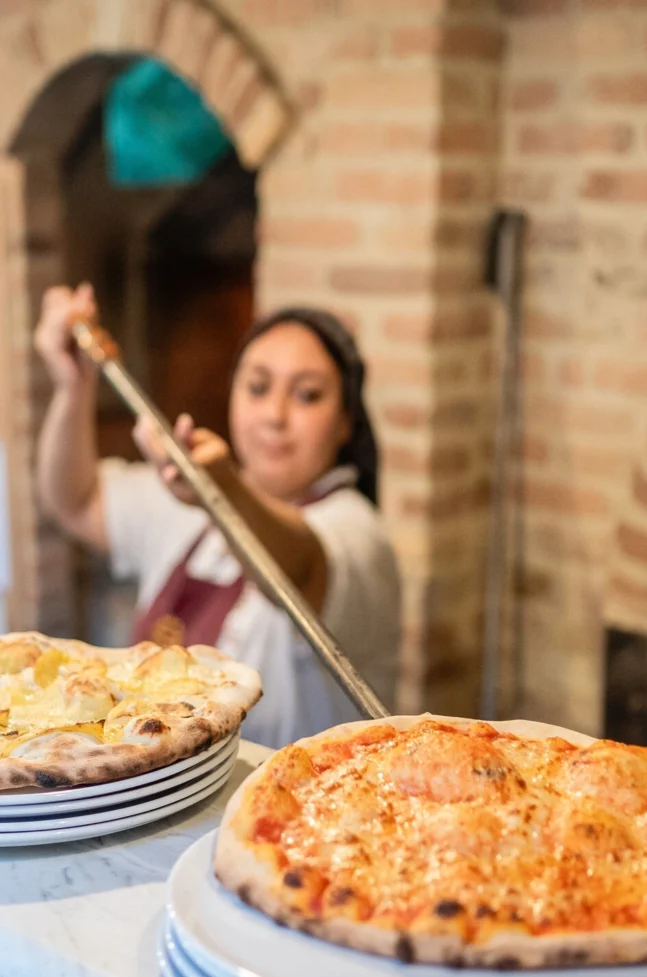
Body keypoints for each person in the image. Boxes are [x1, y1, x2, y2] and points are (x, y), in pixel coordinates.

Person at [34, 284, 400, 747]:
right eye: (258, 387)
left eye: (307, 395)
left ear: (347, 420)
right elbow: (75, 500)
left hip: (295, 801)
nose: (275, 414)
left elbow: (299, 568)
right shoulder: (187, 505)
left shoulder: (356, 528)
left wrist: (222, 487)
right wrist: (73, 385)